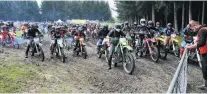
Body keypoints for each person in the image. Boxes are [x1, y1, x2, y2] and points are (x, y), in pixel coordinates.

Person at [186, 20, 207, 89]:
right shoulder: (205, 28)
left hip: (205, 53)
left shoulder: (201, 31)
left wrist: (190, 47)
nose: (193, 30)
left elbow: (201, 43)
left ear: (195, 25)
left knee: (205, 68)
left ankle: (205, 85)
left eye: (192, 28)